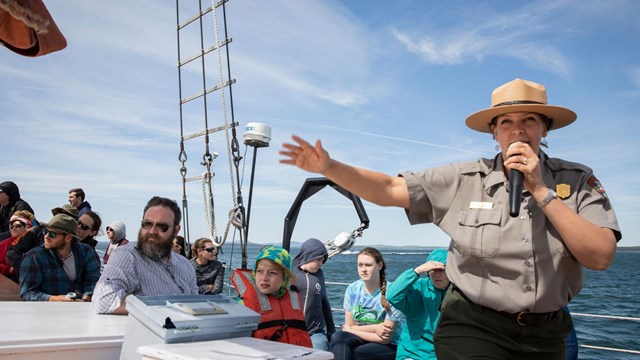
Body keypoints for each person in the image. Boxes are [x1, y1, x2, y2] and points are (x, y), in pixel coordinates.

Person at [280, 78, 621, 359]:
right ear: (494, 133)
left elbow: (600, 255)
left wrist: (541, 190)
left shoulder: (576, 181)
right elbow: (388, 189)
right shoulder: (464, 179)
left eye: (529, 120)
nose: (517, 131)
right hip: (474, 325)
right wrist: (330, 168)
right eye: (506, 123)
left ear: (545, 128)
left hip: (546, 333)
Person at [92, 196, 198, 314]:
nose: (152, 231)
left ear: (176, 231)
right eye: (147, 224)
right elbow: (105, 299)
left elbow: (195, 304)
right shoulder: (127, 255)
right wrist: (167, 307)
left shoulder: (186, 265)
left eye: (161, 226)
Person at [231, 245, 313, 348]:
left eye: (272, 273)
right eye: (259, 271)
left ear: (285, 277)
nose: (264, 278)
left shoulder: (294, 301)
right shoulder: (242, 307)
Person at [330, 247, 403, 360]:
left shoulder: (392, 293)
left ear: (380, 265)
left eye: (368, 265)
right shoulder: (352, 289)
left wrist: (350, 330)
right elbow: (349, 325)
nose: (363, 269)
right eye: (360, 265)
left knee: (356, 353)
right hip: (363, 337)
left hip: (390, 345)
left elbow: (385, 338)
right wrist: (375, 328)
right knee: (338, 337)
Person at [19, 213, 101, 301]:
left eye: (52, 234)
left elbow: (93, 278)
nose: (46, 236)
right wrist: (54, 299)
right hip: (50, 311)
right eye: (45, 232)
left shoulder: (86, 251)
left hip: (81, 309)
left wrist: (86, 298)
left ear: (68, 238)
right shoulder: (34, 257)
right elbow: (27, 292)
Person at [386, 248, 449, 360]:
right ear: (428, 272)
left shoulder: (457, 292)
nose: (438, 275)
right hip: (413, 353)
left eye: (442, 270)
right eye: (434, 270)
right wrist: (417, 271)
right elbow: (392, 295)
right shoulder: (418, 288)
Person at [5, 204, 78, 276]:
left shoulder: (78, 246)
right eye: (60, 214)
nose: (61, 218)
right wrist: (28, 270)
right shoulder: (36, 231)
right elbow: (13, 252)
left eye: (67, 217)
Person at [292, 238, 336, 351]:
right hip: (292, 330)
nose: (321, 263)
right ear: (309, 255)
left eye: (323, 259)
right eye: (319, 259)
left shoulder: (319, 275)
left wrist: (331, 330)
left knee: (320, 351)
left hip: (315, 332)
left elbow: (325, 302)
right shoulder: (290, 272)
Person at [0, 210, 34, 280]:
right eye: (11, 226)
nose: (14, 228)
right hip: (9, 282)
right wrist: (10, 270)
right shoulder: (4, 244)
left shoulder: (36, 244)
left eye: (18, 225)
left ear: (27, 227)